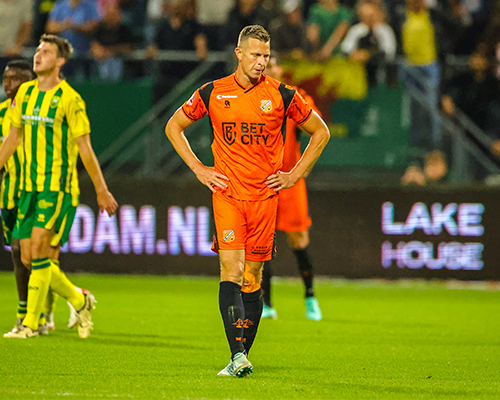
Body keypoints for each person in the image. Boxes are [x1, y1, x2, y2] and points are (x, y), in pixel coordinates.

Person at [165, 25, 330, 377]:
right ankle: (237, 354)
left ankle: (240, 356)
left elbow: (321, 131)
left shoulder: (283, 95)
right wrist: (198, 168)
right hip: (226, 195)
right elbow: (173, 126)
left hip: (265, 197)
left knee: (253, 277)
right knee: (232, 271)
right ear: (239, 54)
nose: (262, 62)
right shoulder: (212, 92)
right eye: (255, 55)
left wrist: (295, 173)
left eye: (266, 56)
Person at [0, 34, 118, 339]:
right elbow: (13, 138)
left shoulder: (70, 99)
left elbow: (85, 148)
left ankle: (30, 324)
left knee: (39, 251)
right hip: (28, 188)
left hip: (57, 189)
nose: (38, 55)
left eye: (46, 52)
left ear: (60, 61)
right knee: (27, 258)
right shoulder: (25, 93)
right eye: (38, 50)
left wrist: (101, 189)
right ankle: (79, 299)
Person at [258, 53, 322, 321]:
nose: (268, 68)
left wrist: (300, 172)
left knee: (298, 239)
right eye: (264, 65)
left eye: (272, 64)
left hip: (289, 179)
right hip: (262, 180)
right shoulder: (250, 99)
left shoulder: (296, 97)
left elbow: (318, 130)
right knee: (263, 242)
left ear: (280, 69)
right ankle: (266, 304)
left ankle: (310, 297)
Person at [1, 60, 35, 335]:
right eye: (5, 78)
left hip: (35, 191)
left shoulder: (39, 111)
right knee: (20, 253)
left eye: (15, 78)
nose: (7, 83)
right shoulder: (2, 113)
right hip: (8, 193)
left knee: (28, 251)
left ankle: (30, 313)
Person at [90, 2, 134, 82]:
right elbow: (95, 47)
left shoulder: (124, 29)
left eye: (114, 12)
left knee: (115, 62)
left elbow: (128, 48)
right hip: (102, 63)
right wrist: (104, 52)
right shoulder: (99, 29)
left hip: (120, 63)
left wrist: (110, 52)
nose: (112, 15)